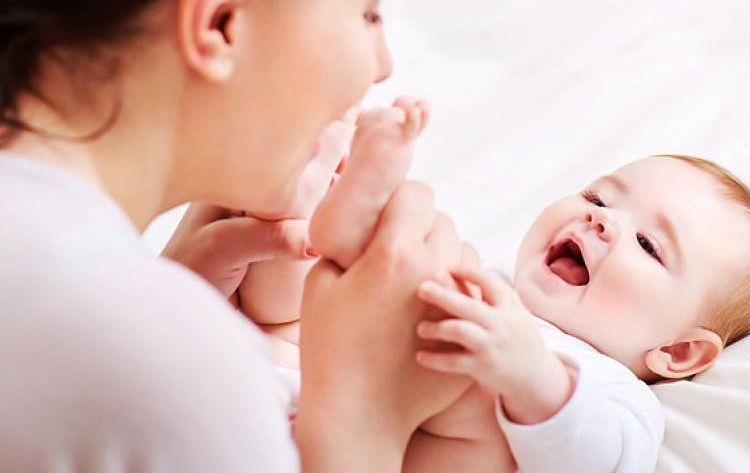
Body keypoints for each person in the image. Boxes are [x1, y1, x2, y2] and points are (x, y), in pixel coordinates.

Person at [0, 0, 477, 471]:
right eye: (368, 12)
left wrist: (159, 295)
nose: (383, 66)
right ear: (222, 16)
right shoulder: (174, 367)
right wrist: (362, 418)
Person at [241, 115, 750, 473]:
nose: (602, 217)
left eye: (647, 244)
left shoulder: (615, 394)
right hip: (280, 391)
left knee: (474, 397)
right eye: (597, 196)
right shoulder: (485, 276)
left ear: (678, 352)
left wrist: (529, 374)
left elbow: (597, 461)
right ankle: (324, 211)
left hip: (364, 449)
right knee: (288, 300)